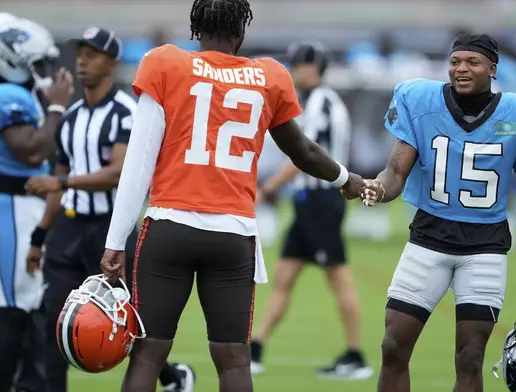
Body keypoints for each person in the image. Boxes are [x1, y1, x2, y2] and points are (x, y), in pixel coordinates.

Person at [98, 1, 364, 391]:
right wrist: (346, 178)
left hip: (170, 225)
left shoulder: (166, 63)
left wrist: (115, 240)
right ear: (240, 33)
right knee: (234, 360)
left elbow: (138, 162)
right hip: (233, 232)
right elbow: (302, 150)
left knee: (149, 351)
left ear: (195, 30)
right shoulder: (268, 75)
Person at [359, 34, 516, 392]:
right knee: (393, 346)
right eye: (455, 62)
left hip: (484, 249)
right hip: (427, 241)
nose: (462, 69)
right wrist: (377, 189)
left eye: (473, 62)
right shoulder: (420, 101)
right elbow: (394, 174)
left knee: (470, 358)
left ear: (493, 69)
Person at [24, 27, 195, 392]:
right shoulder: (69, 117)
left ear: (113, 63)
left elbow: (119, 172)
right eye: (81, 53)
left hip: (111, 230)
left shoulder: (127, 112)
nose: (83, 61)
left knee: (127, 323)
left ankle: (173, 376)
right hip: (69, 230)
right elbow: (59, 179)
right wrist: (40, 235)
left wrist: (63, 184)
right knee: (56, 319)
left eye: (93, 54)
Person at [250, 42, 372, 380]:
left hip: (322, 200)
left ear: (313, 68)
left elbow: (305, 154)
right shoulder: (314, 101)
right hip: (308, 203)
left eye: (298, 65)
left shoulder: (321, 101)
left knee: (338, 276)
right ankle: (256, 348)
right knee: (285, 277)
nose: (293, 71)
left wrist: (269, 187)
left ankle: (356, 355)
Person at [0, 16, 71, 391]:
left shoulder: (21, 94)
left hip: (24, 206)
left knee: (30, 305)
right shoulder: (8, 96)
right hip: (11, 207)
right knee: (15, 304)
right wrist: (57, 109)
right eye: (38, 64)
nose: (46, 73)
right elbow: (30, 150)